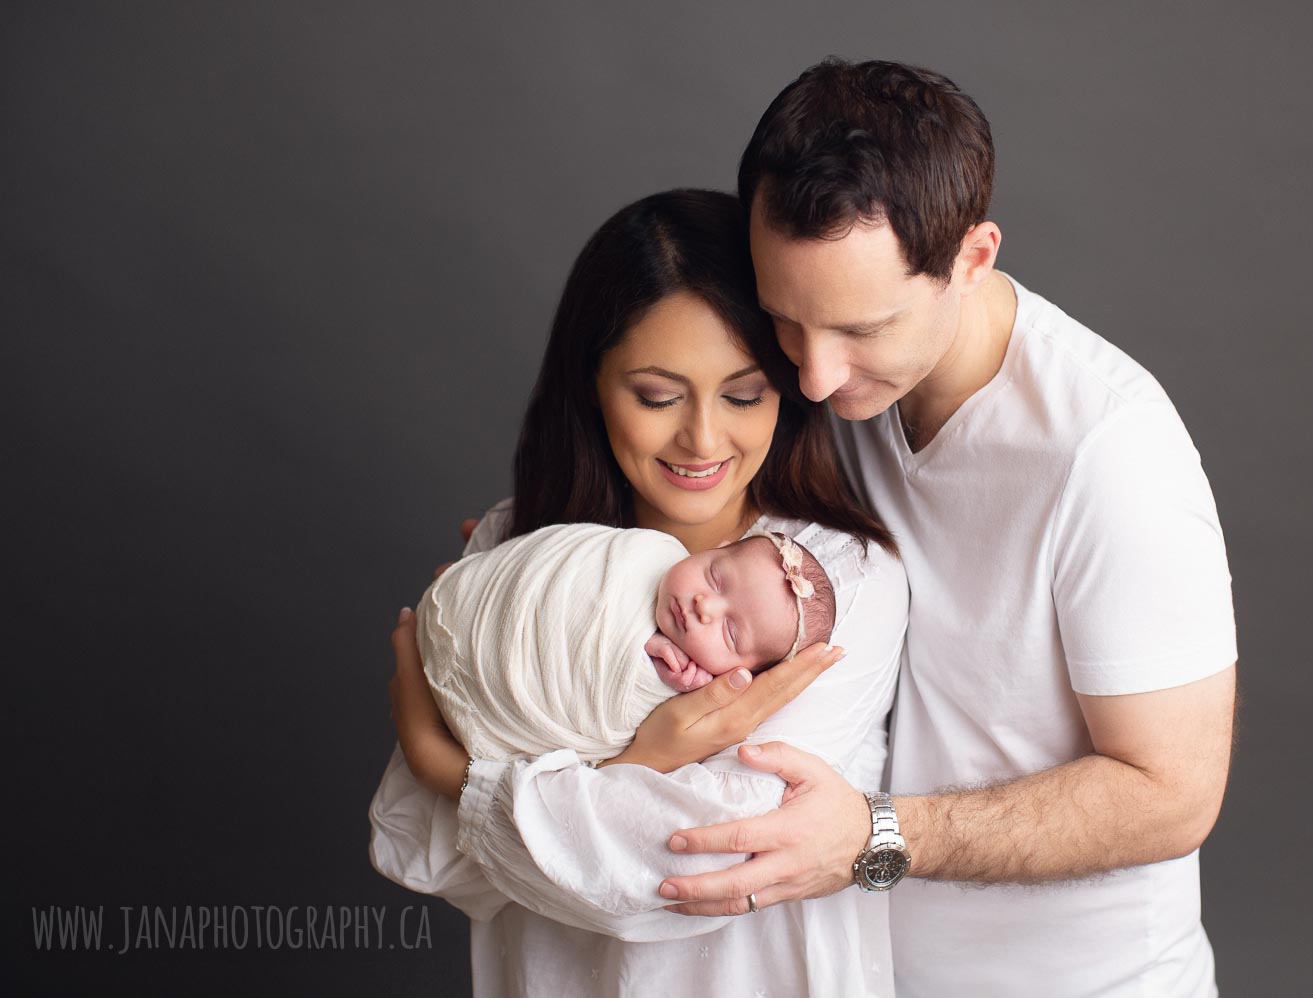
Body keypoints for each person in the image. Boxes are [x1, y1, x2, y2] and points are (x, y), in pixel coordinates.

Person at [655, 60, 1239, 996]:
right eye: (786, 321)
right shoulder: (826, 386)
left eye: (863, 328)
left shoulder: (1109, 448)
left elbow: (1172, 795)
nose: (812, 374)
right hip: (866, 972)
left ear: (972, 259)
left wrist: (873, 838)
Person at [370, 188, 909, 997]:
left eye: (744, 394)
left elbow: (704, 860)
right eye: (657, 396)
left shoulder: (834, 581)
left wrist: (451, 768)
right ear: (591, 383)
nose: (701, 438)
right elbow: (433, 855)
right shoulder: (525, 548)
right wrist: (647, 761)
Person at [418, 520, 836, 767]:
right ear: (716, 548)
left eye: (729, 633)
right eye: (715, 576)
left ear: (739, 674)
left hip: (486, 698)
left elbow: (628, 699)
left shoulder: (691, 683)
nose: (704, 606)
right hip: (461, 612)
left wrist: (670, 678)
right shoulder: (647, 549)